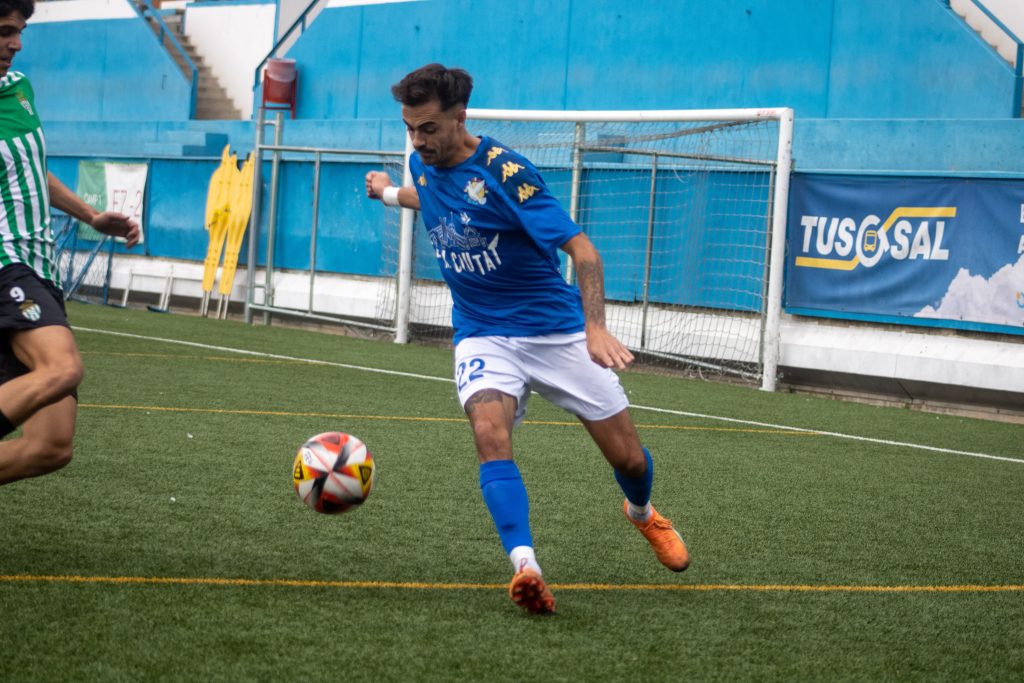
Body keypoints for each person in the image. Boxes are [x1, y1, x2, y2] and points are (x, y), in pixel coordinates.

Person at [365, 63, 688, 615]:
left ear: (460, 118)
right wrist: (390, 194)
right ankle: (526, 566)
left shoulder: (508, 174)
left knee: (630, 460)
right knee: (488, 434)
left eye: (428, 128)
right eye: (410, 128)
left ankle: (642, 514)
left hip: (556, 331)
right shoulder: (425, 162)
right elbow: (432, 196)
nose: (417, 141)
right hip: (482, 333)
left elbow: (584, 251)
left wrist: (595, 328)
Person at [0, 0, 140, 485]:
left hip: (40, 270)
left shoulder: (18, 88)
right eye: (4, 31)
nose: (16, 43)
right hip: (6, 265)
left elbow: (30, 173)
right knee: (62, 368)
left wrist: (91, 216)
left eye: (19, 31)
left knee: (50, 447)